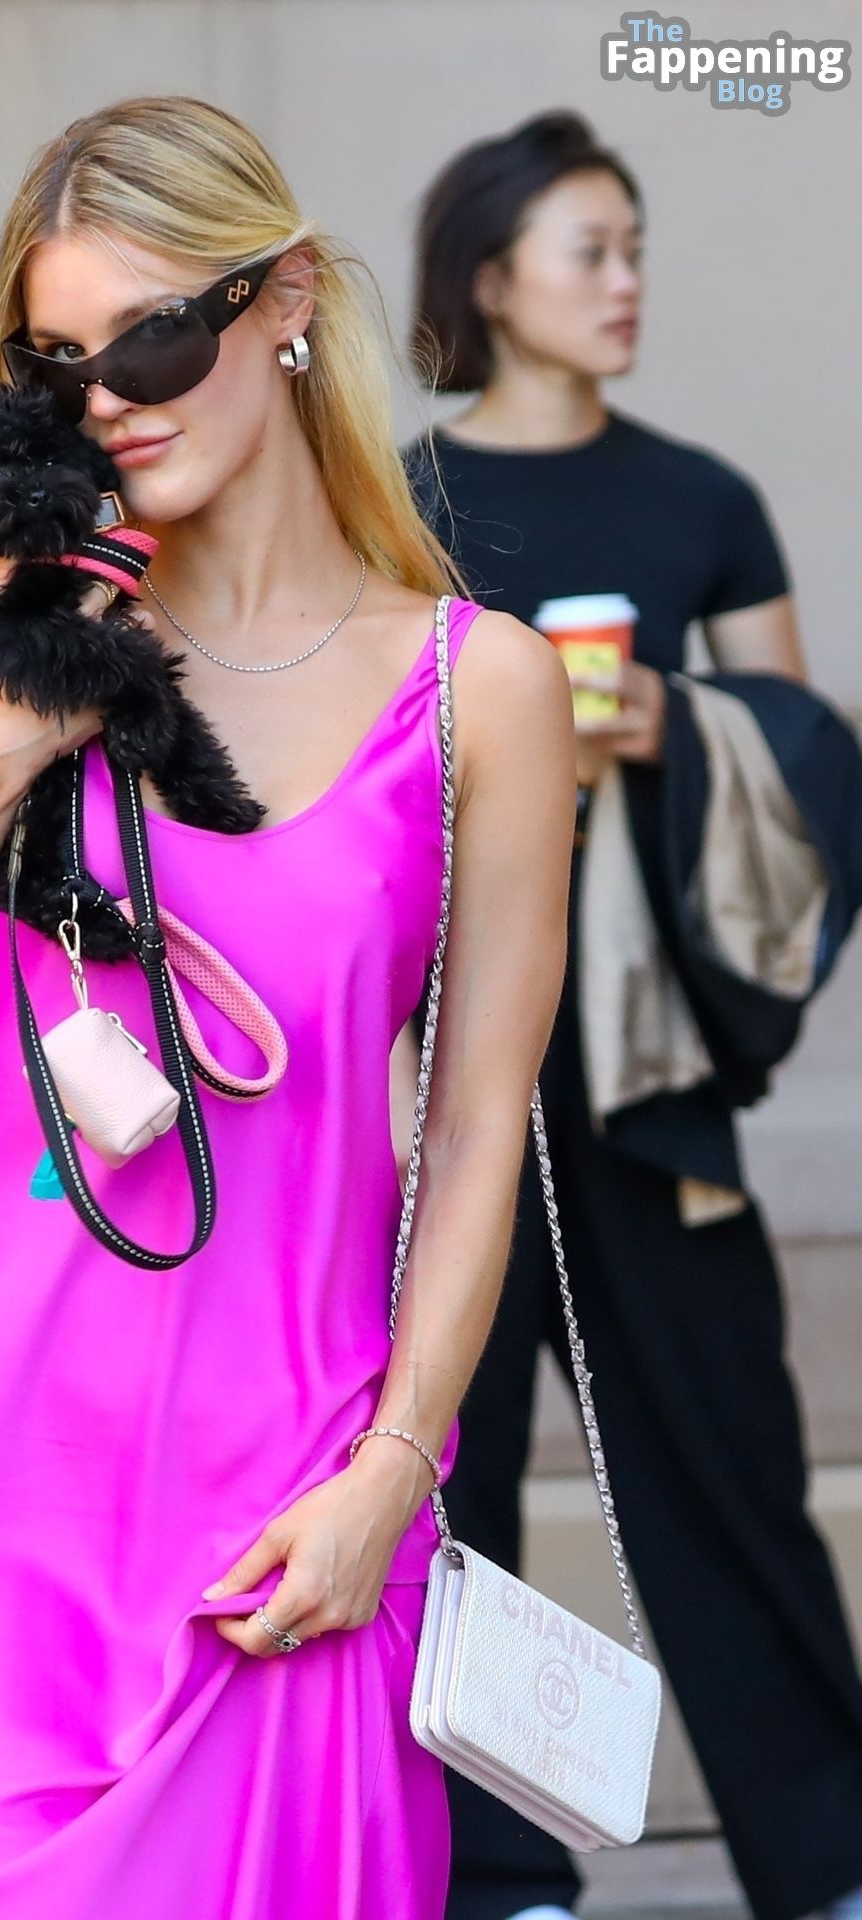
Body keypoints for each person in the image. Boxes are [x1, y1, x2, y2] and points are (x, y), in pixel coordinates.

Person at [0, 95, 574, 1919]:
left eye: (150, 335)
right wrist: (3, 733)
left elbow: (471, 1134)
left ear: (284, 297)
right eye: (54, 365)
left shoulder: (481, 695)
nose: (113, 400)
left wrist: (391, 1476)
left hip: (286, 1509)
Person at [401, 109, 862, 1920]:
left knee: (732, 1471)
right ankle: (498, 1871)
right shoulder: (408, 498)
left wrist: (671, 729)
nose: (626, 282)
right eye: (591, 250)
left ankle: (828, 1862)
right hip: (447, 1076)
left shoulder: (702, 501)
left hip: (654, 1082)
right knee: (452, 1489)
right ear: (492, 279)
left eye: (637, 248)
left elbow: (809, 768)